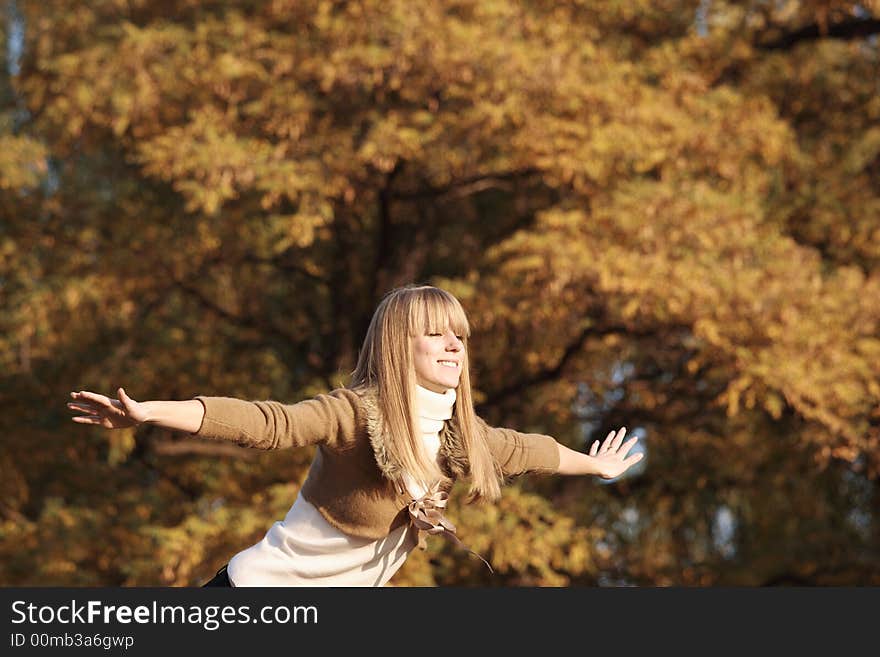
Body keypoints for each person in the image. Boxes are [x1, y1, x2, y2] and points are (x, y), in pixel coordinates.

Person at [67, 284, 643, 586]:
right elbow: (267, 424)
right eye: (437, 334)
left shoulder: (460, 437)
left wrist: (595, 466)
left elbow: (528, 450)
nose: (453, 346)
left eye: (460, 336)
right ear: (399, 345)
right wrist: (148, 413)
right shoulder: (353, 416)